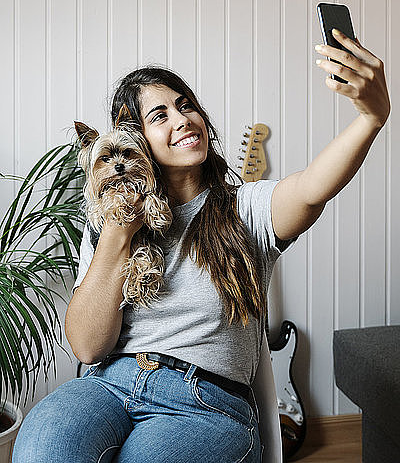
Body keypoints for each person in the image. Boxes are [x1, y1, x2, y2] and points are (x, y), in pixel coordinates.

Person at [12, 29, 390, 463]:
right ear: (135, 140)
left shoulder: (245, 208)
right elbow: (87, 347)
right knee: (42, 451)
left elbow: (309, 190)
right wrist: (121, 233)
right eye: (160, 116)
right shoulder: (108, 225)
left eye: (186, 105)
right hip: (108, 384)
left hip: (204, 403)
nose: (182, 120)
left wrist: (369, 119)